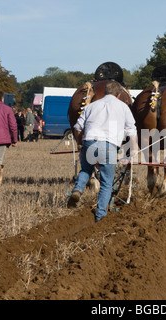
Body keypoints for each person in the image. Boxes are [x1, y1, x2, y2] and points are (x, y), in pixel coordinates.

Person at [67, 81, 138, 222]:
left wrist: (81, 142)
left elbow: (78, 126)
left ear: (105, 92)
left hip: (89, 141)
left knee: (86, 170)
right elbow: (131, 130)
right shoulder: (123, 107)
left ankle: (77, 189)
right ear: (118, 95)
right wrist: (134, 148)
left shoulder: (92, 106)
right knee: (106, 182)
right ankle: (100, 216)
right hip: (108, 145)